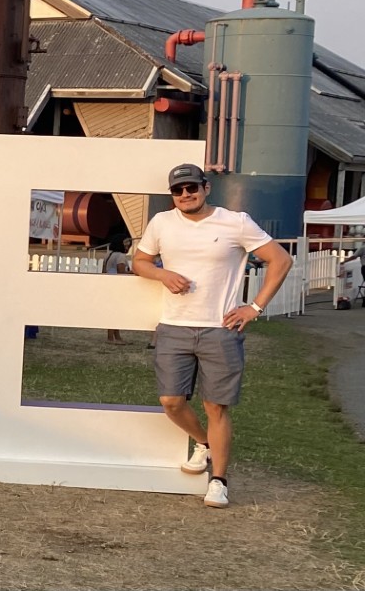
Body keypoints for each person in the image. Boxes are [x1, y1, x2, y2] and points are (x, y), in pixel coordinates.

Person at [134, 163, 294, 508]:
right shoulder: (161, 223)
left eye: (192, 187)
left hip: (220, 329)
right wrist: (163, 276)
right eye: (178, 190)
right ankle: (205, 443)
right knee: (171, 402)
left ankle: (219, 480)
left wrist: (255, 307)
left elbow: (280, 260)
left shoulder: (235, 222)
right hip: (174, 326)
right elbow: (140, 261)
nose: (185, 195)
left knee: (215, 406)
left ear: (206, 188)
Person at [103, 239, 133, 344]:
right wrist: (132, 272)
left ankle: (116, 336)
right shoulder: (121, 256)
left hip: (109, 285)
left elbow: (103, 270)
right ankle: (111, 338)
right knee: (116, 312)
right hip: (118, 287)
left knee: (112, 310)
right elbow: (121, 271)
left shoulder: (108, 255)